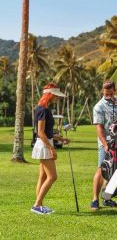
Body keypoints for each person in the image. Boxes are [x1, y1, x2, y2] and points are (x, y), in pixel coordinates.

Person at [31, 83, 69, 215]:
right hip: (43, 145)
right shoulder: (42, 109)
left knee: (43, 176)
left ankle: (39, 205)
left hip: (45, 143)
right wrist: (52, 149)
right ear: (50, 95)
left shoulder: (45, 109)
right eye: (56, 96)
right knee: (52, 176)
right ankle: (37, 205)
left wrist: (61, 139)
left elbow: (48, 132)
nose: (57, 99)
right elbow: (40, 132)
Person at [91, 80, 117, 210]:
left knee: (115, 170)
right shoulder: (99, 106)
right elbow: (99, 128)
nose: (108, 97)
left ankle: (107, 198)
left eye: (110, 94)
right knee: (102, 168)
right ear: (102, 92)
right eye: (106, 94)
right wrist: (105, 144)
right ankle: (95, 199)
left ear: (115, 91)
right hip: (105, 142)